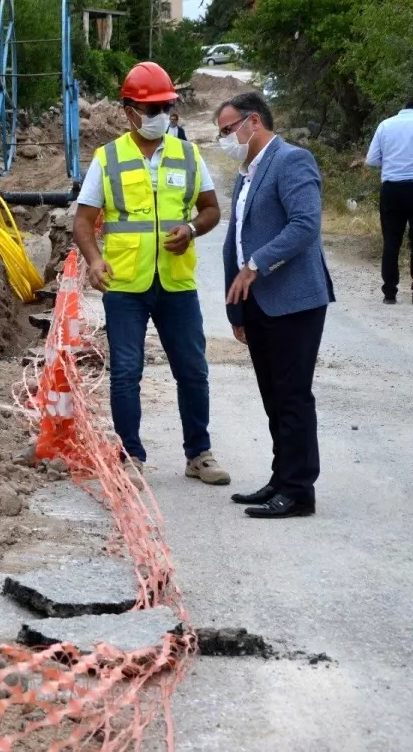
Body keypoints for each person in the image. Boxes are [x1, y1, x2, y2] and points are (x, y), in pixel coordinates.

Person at [73, 62, 230, 486]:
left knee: (193, 369)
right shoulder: (108, 159)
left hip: (176, 282)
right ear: (129, 111)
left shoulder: (188, 154)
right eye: (151, 107)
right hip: (126, 284)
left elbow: (212, 208)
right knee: (126, 371)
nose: (160, 114)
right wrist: (93, 260)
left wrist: (193, 228)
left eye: (165, 106)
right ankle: (130, 456)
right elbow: (84, 221)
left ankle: (199, 454)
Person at [217, 92, 335, 519]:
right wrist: (235, 307)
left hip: (294, 301)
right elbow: (236, 240)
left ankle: (299, 490)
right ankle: (281, 478)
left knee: (292, 395)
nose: (224, 138)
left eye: (227, 129)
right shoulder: (246, 173)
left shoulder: (292, 160)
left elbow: (305, 224)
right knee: (273, 396)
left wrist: (256, 265)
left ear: (253, 122)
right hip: (256, 303)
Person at [365, 98, 413, 304]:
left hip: (392, 188)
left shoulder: (386, 125)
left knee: (391, 241)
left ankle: (389, 292)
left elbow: (371, 160)